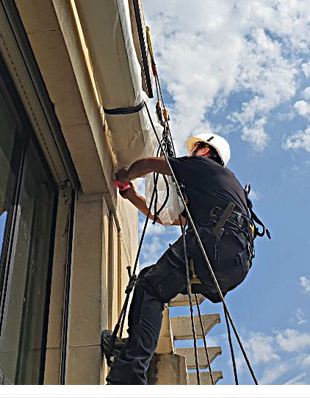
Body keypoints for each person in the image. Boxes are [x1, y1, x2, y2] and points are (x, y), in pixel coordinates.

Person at [105, 133, 255, 385]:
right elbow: (166, 217)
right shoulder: (219, 192)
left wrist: (125, 176)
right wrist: (130, 195)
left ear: (206, 151)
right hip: (234, 264)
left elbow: (150, 164)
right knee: (152, 281)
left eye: (196, 148)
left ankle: (130, 374)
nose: (192, 152)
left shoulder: (203, 167)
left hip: (215, 242)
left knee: (150, 288)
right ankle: (132, 351)